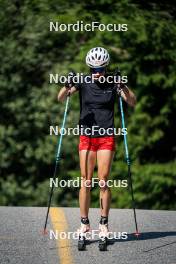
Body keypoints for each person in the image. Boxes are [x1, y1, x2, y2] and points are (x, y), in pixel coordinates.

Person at [58, 47, 136, 238]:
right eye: (93, 70)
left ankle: (103, 223)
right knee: (85, 181)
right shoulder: (83, 81)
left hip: (106, 137)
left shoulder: (113, 83)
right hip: (87, 136)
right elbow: (60, 98)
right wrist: (67, 85)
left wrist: (123, 86)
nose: (97, 74)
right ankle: (84, 224)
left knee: (102, 181)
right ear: (89, 68)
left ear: (106, 68)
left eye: (100, 70)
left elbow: (132, 102)